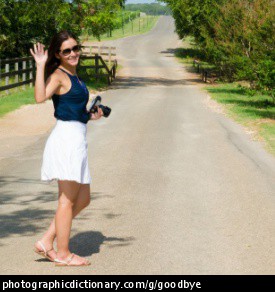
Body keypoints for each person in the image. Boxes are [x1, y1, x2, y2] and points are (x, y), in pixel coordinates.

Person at [30, 30, 103, 267]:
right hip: (66, 141)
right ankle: (62, 254)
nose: (73, 54)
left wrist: (90, 115)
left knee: (83, 198)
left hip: (76, 137)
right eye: (67, 51)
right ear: (58, 55)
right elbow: (40, 97)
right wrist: (41, 65)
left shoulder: (75, 76)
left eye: (75, 48)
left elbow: (73, 110)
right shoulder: (59, 75)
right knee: (66, 200)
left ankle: (46, 240)